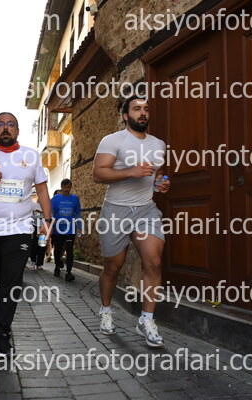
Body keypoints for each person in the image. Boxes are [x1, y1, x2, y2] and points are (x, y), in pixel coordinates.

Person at [0, 112, 52, 356]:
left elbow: (42, 190)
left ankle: (1, 331)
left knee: (12, 281)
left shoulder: (30, 155)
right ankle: (1, 317)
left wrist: (47, 221)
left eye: (11, 124)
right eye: (1, 124)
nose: (6, 128)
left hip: (20, 229)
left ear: (17, 130)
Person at [92, 96, 170, 348]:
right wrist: (130, 172)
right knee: (113, 267)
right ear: (126, 116)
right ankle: (105, 311)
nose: (143, 112)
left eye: (146, 109)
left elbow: (157, 175)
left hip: (146, 209)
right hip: (116, 210)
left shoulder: (158, 144)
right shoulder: (112, 140)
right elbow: (98, 174)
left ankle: (146, 320)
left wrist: (160, 184)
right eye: (136, 109)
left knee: (153, 262)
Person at [51, 179, 82, 281]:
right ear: (61, 187)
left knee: (69, 250)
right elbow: (50, 211)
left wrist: (79, 227)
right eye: (64, 187)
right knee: (58, 249)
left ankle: (69, 272)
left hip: (70, 229)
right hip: (58, 229)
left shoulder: (75, 198)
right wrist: (51, 219)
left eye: (68, 187)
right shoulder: (56, 198)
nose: (66, 189)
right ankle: (57, 266)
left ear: (71, 187)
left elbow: (78, 213)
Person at [27, 200, 47, 270]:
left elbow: (50, 216)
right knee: (34, 245)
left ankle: (40, 264)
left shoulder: (47, 206)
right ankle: (33, 261)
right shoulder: (34, 206)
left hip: (44, 227)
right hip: (35, 227)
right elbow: (31, 217)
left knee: (42, 245)